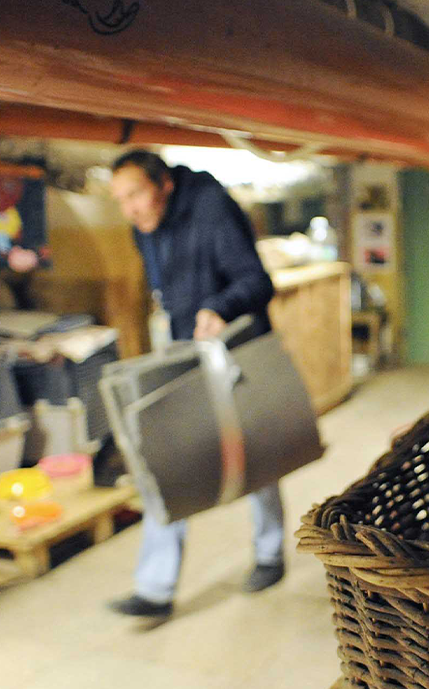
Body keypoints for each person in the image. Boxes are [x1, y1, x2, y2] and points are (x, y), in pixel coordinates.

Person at [105, 149, 284, 617]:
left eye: (137, 195)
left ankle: (270, 553)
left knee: (255, 455)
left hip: (234, 343)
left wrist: (219, 308)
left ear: (163, 184)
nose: (131, 209)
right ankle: (156, 589)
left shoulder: (212, 208)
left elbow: (258, 282)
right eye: (121, 200)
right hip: (184, 343)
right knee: (165, 454)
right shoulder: (143, 225)